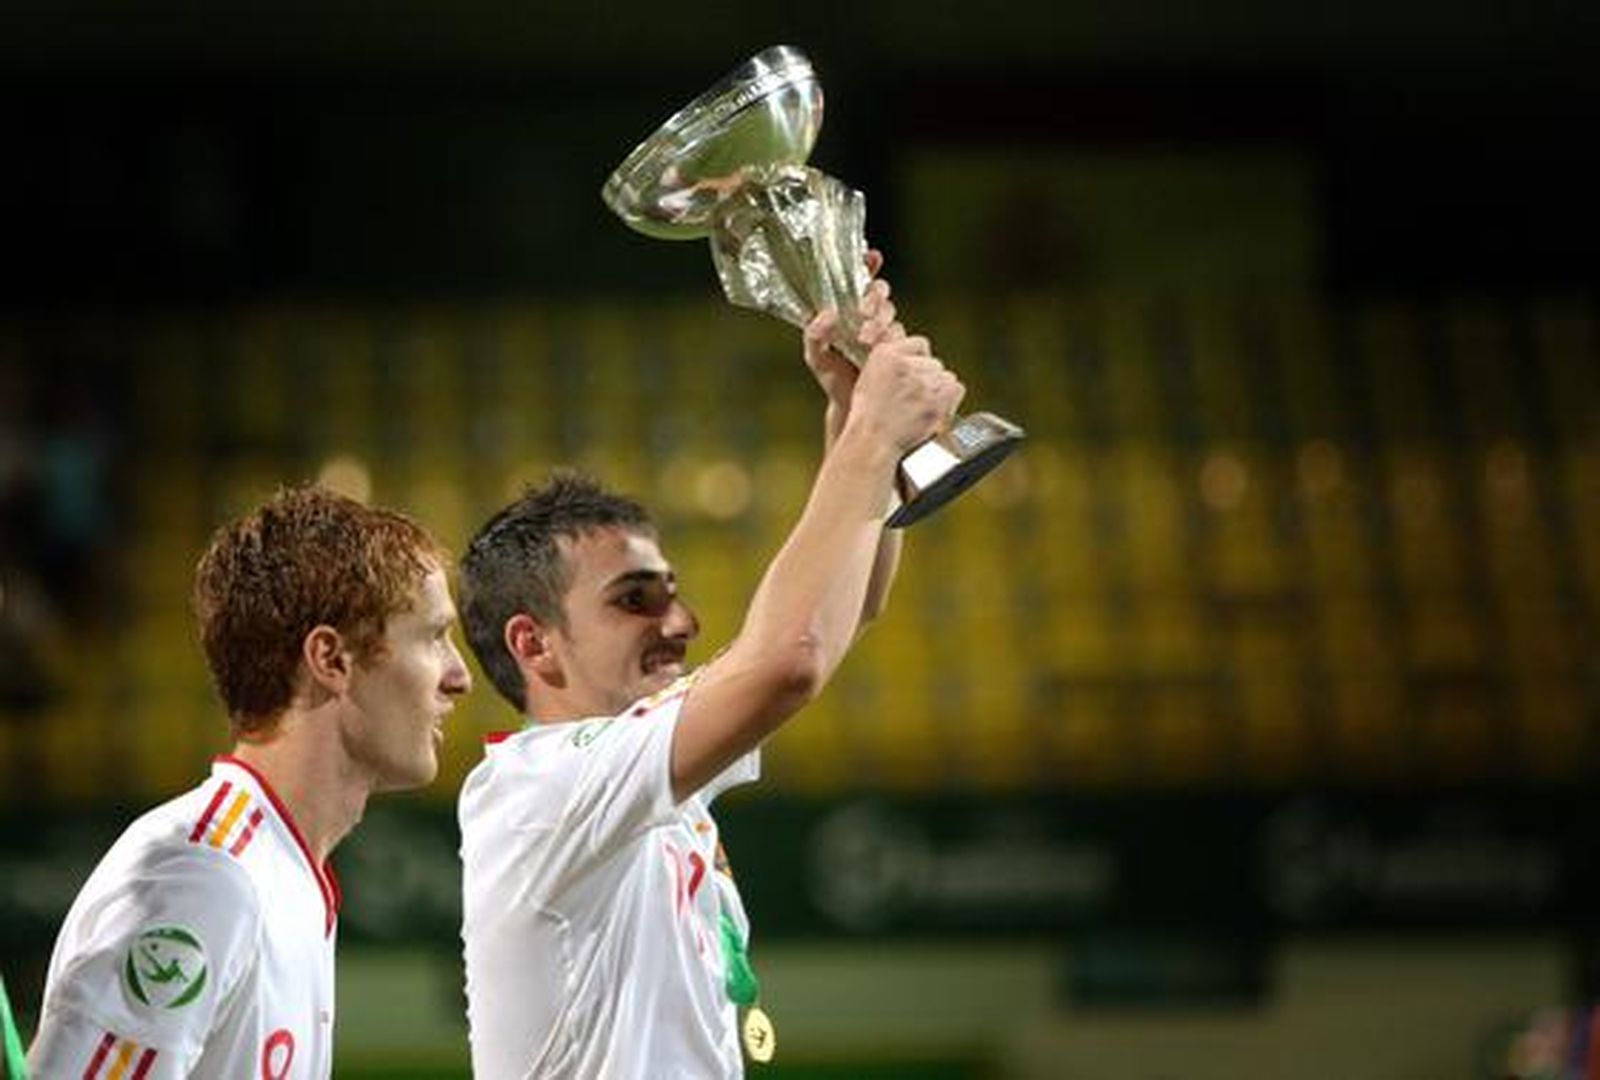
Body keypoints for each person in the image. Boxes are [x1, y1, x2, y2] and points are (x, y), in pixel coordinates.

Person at [456, 262, 964, 1079]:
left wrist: (850, 411)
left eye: (673, 593)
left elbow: (845, 612)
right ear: (534, 644)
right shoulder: (541, 790)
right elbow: (789, 660)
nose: (682, 622)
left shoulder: (632, 760)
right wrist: (872, 436)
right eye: (634, 600)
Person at [28, 485, 472, 1079]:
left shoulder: (273, 871)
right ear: (332, 660)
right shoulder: (206, 879)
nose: (459, 676)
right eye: (434, 636)